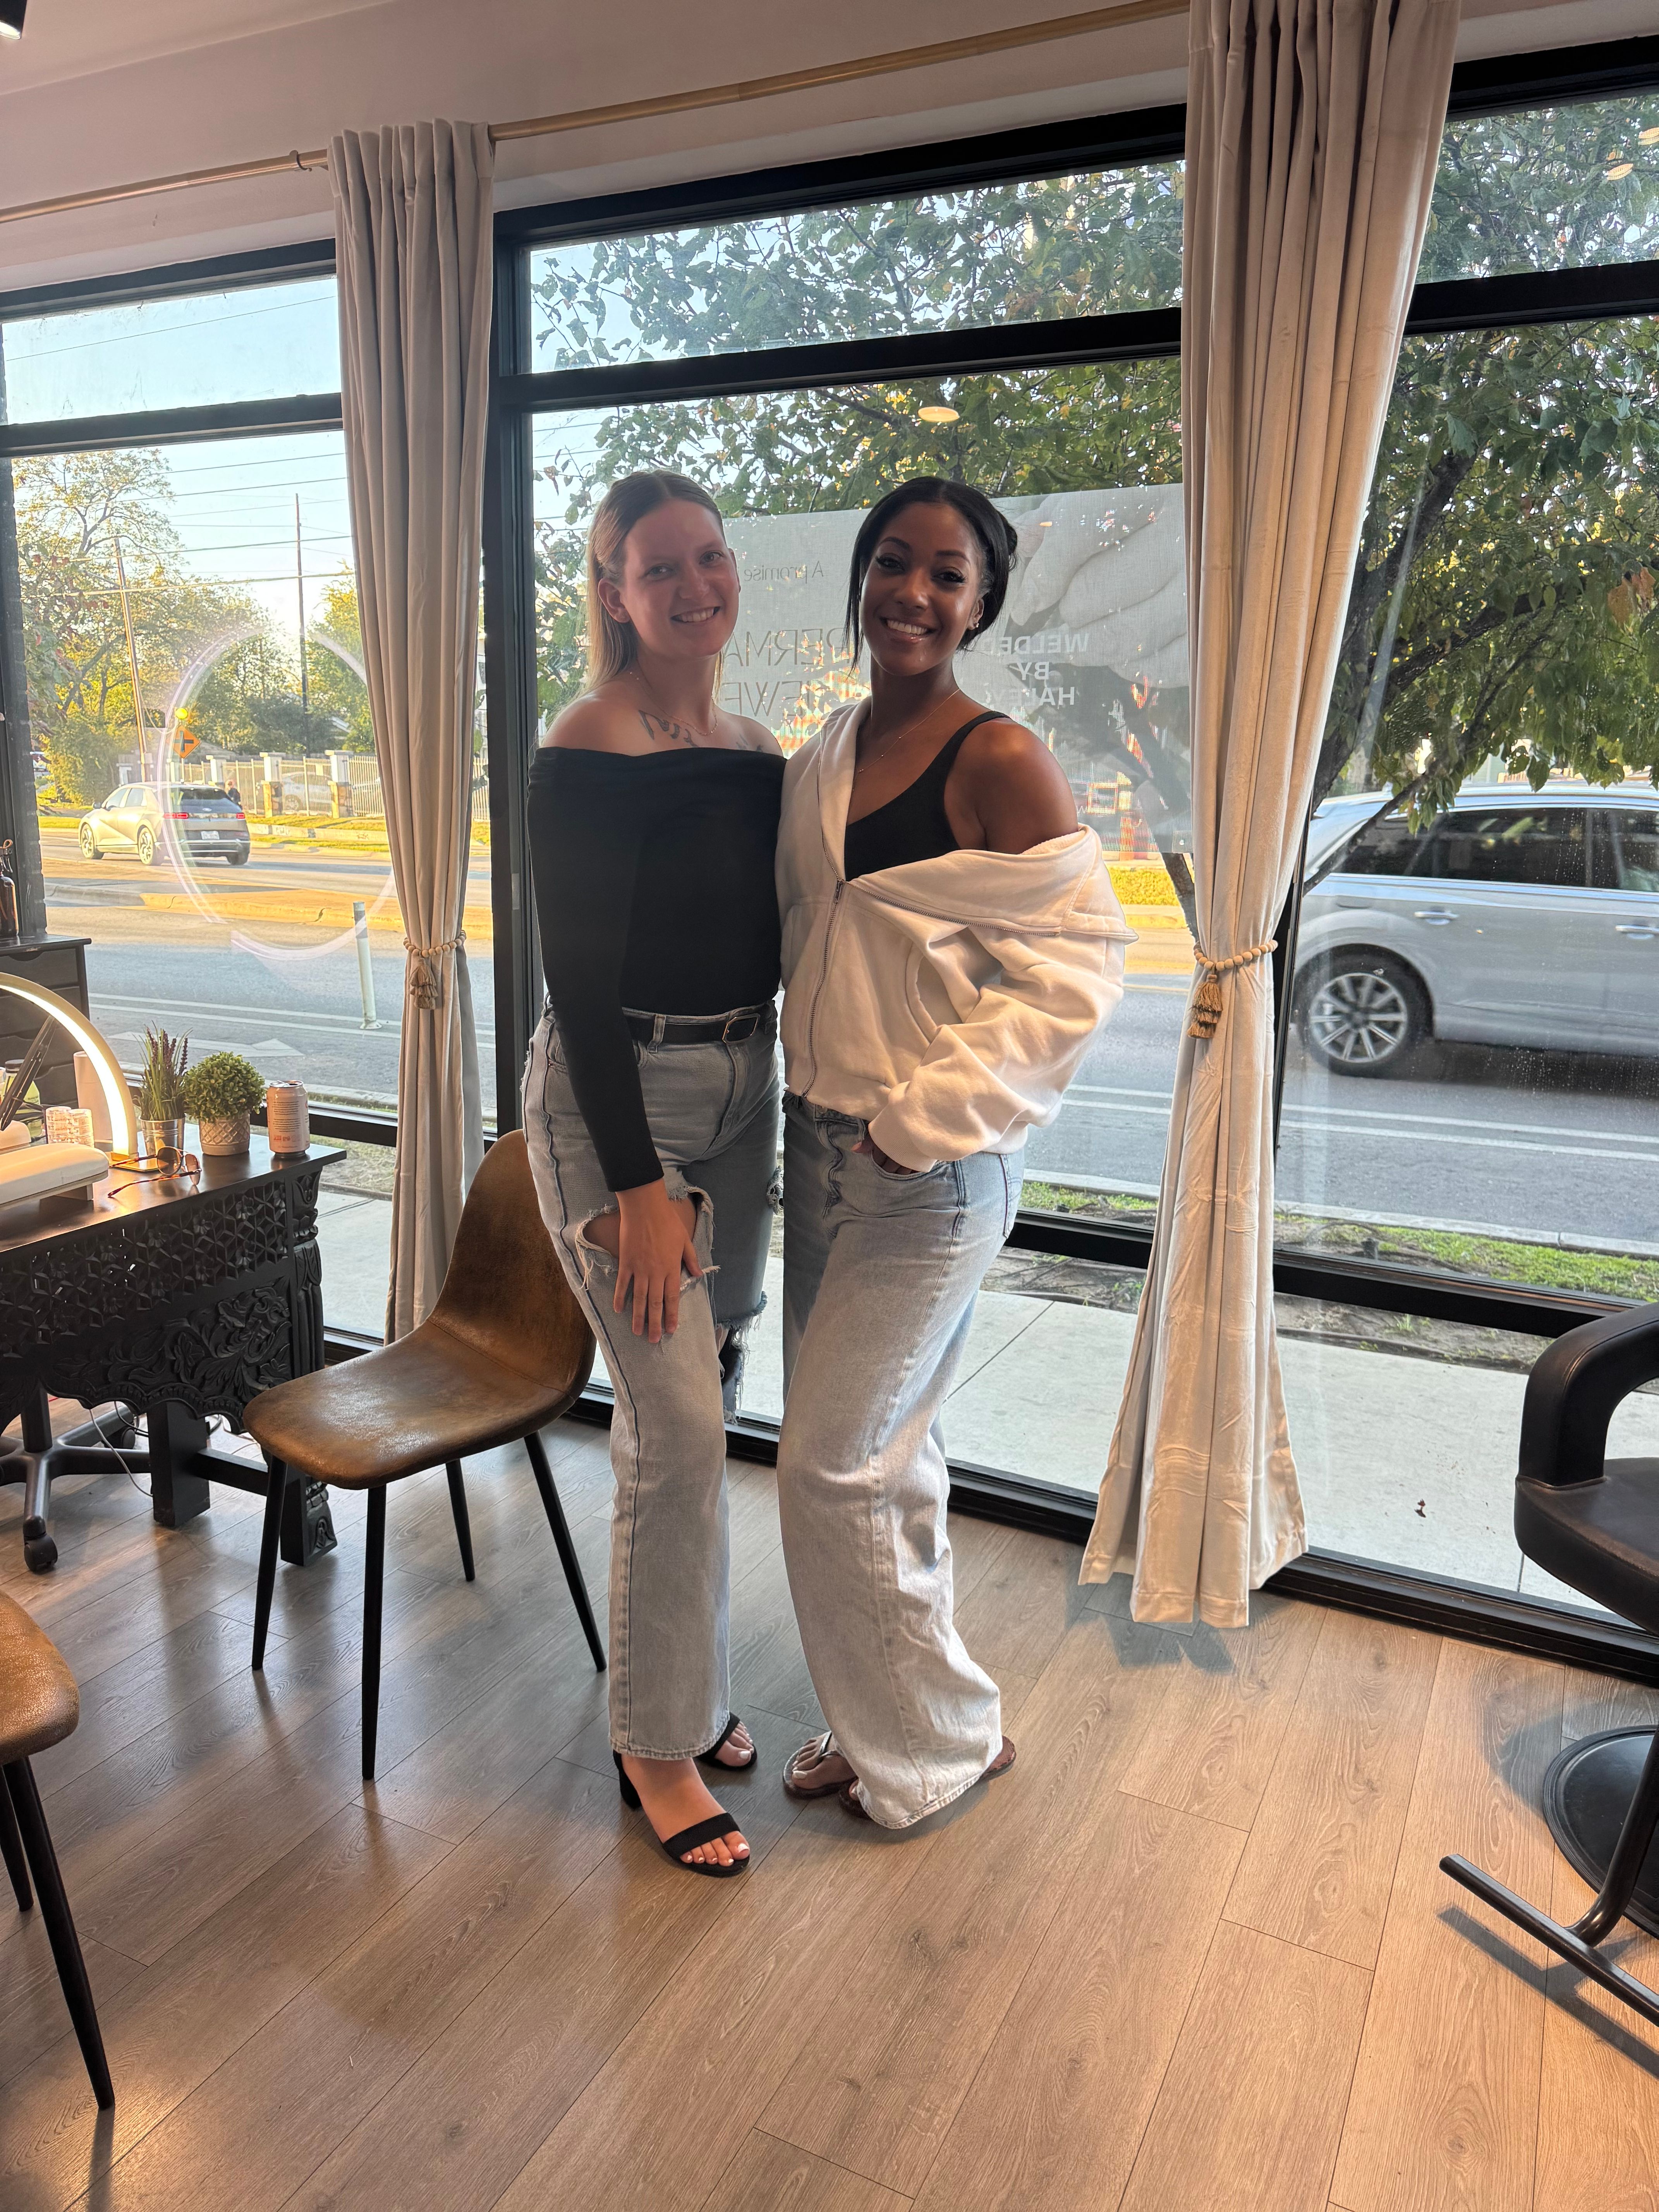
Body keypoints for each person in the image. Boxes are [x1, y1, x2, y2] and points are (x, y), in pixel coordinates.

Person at [775, 476, 1131, 1829]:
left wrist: (910, 1124)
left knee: (828, 1465)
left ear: (982, 606)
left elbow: (1081, 971)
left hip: (922, 1172)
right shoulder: (827, 750)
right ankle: (907, 1715)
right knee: (892, 1459)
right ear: (858, 575)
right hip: (819, 1153)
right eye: (891, 562)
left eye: (946, 575)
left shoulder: (996, 758)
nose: (911, 594)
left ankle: (926, 1746)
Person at [523, 471, 784, 1875]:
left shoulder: (752, 742)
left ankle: (682, 1682)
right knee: (678, 1426)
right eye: (659, 566)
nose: (695, 584)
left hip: (750, 1087)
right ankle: (655, 1740)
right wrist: (634, 1182)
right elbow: (578, 972)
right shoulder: (592, 735)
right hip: (621, 1095)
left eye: (711, 557)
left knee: (706, 1400)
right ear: (615, 593)